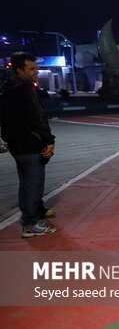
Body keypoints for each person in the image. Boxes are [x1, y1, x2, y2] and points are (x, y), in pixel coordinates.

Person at [0, 52, 57, 238]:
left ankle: (33, 214)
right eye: (31, 68)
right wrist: (49, 140)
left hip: (16, 144)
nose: (36, 71)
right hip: (29, 143)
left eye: (36, 68)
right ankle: (31, 223)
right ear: (19, 70)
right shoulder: (25, 90)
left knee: (26, 183)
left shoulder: (7, 89)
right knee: (33, 183)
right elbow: (37, 118)